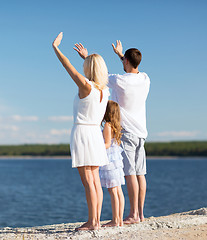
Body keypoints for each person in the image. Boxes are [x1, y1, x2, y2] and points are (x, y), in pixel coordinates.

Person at [74, 41, 150, 224]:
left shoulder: (120, 81)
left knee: (130, 173)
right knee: (140, 173)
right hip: (142, 132)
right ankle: (140, 213)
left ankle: (133, 215)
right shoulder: (145, 78)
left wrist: (86, 57)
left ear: (126, 62)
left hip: (127, 131)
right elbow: (131, 65)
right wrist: (121, 55)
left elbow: (100, 75)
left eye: (124, 59)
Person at [52, 32, 110, 231]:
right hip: (95, 134)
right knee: (95, 181)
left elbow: (68, 67)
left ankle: (93, 222)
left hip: (83, 134)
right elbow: (96, 73)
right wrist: (87, 58)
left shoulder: (86, 87)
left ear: (89, 69)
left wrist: (56, 48)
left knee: (88, 182)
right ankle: (96, 221)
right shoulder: (104, 90)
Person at [99, 100, 125, 227]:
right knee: (118, 190)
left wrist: (96, 147)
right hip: (116, 162)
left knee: (113, 190)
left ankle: (115, 220)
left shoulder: (107, 126)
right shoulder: (116, 125)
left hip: (110, 162)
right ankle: (119, 219)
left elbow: (107, 144)